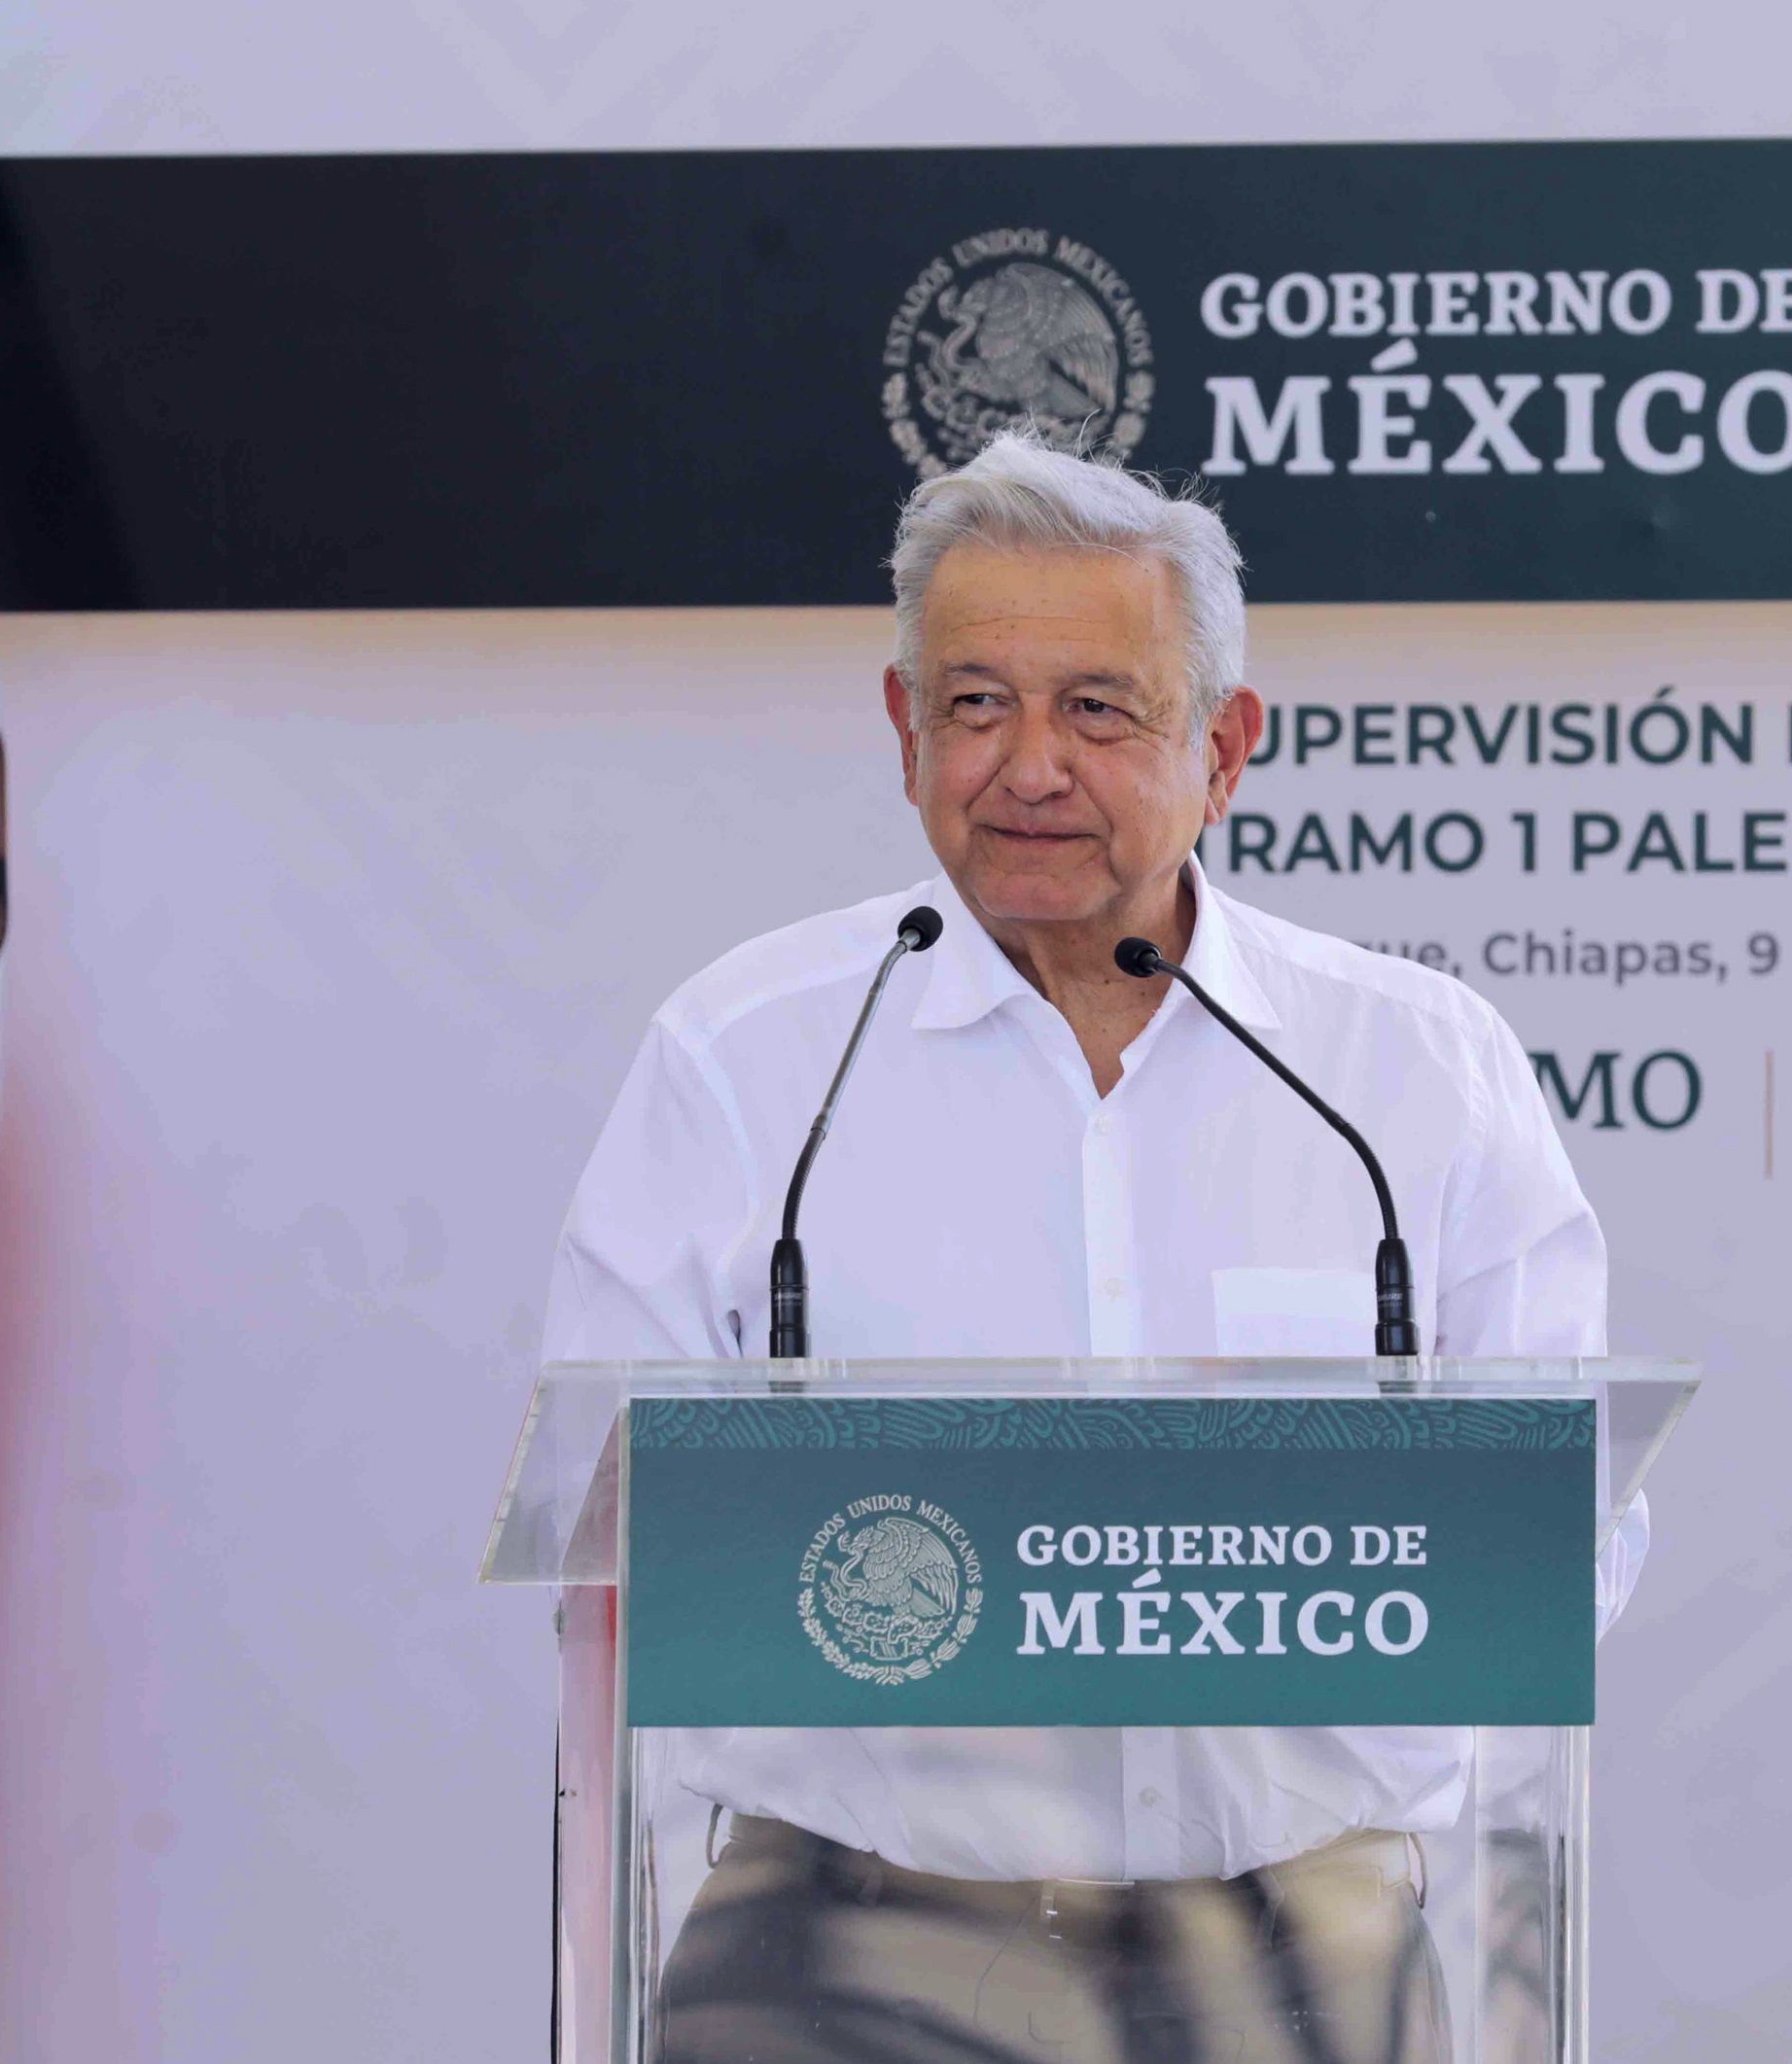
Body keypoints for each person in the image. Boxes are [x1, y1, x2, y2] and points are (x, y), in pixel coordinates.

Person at [544, 432, 1643, 2064]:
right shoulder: (751, 1062)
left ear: (1227, 745)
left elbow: (1571, 1519)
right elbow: (599, 1521)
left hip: (1302, 1939)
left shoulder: (1409, 1074)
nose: (1029, 764)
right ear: (905, 731)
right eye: (975, 703)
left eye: (1100, 709)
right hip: (850, 1944)